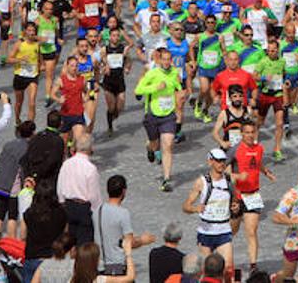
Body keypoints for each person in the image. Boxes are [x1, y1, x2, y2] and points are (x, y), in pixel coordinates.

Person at [136, 45, 185, 192]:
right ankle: (150, 148)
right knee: (154, 144)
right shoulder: (153, 74)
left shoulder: (174, 73)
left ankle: (166, 179)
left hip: (168, 116)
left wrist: (181, 91)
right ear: (159, 60)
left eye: (169, 59)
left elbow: (178, 87)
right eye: (164, 59)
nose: (167, 62)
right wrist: (155, 88)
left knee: (168, 145)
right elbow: (138, 90)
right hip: (152, 115)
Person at [230, 118, 275, 274]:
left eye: (252, 132)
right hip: (237, 197)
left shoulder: (259, 148)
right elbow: (222, 170)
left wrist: (266, 172)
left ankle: (253, 265)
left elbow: (257, 162)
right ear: (241, 134)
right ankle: (222, 253)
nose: (250, 135)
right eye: (247, 132)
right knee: (232, 231)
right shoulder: (234, 150)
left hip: (253, 195)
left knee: (251, 231)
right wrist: (236, 178)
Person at [93, 175, 154, 278]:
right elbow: (129, 243)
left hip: (100, 267)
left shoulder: (97, 211)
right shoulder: (123, 213)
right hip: (118, 267)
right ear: (123, 191)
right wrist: (143, 240)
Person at [182, 148, 235, 262]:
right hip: (206, 231)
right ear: (210, 161)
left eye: (223, 161)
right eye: (218, 161)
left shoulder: (230, 180)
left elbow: (234, 200)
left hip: (224, 230)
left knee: (229, 267)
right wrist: (195, 209)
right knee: (206, 268)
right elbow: (185, 206)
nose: (222, 164)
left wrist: (235, 206)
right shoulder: (201, 182)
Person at [58, 134, 102, 245]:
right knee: (84, 245)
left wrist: (62, 203)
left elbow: (60, 187)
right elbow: (94, 196)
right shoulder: (90, 168)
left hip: (68, 206)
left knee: (70, 243)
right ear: (90, 148)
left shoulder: (66, 164)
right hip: (83, 208)